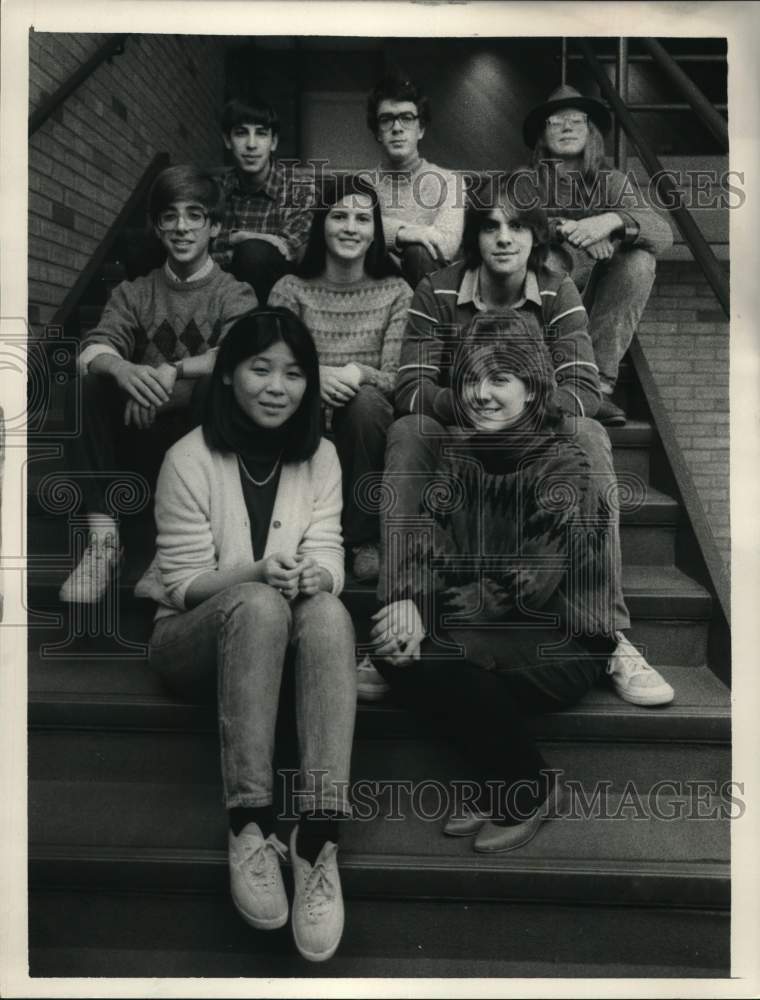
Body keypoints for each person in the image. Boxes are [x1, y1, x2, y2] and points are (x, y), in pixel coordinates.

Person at [382, 171, 675, 708]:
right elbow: (409, 386)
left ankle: (607, 632)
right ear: (474, 236)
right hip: (458, 432)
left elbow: (584, 386)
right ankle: (398, 620)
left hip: (531, 437)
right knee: (407, 429)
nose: (503, 237)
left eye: (517, 226)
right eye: (490, 225)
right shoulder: (438, 288)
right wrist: (469, 409)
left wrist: (520, 417)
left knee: (588, 433)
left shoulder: (557, 289)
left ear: (535, 237)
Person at [138, 308, 356, 963]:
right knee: (259, 605)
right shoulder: (187, 457)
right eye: (260, 368)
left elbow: (333, 557)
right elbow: (181, 581)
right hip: (190, 639)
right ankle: (249, 826)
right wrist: (259, 574)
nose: (276, 386)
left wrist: (314, 574)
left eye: (293, 374)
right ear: (228, 374)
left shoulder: (322, 457)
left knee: (328, 613)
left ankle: (316, 839)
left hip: (283, 634)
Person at [370, 322, 635, 852]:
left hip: (565, 638)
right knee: (389, 648)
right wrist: (413, 604)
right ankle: (495, 776)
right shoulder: (462, 456)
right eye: (470, 380)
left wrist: (434, 615)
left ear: (533, 388)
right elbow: (430, 546)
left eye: (499, 379)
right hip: (489, 626)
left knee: (433, 654)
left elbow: (530, 584)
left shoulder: (565, 464)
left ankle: (529, 787)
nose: (480, 394)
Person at [59, 165, 258, 604]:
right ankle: (104, 543)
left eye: (195, 215)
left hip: (198, 438)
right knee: (86, 387)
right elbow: (92, 350)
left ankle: (174, 549)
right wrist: (125, 373)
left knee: (219, 387)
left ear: (216, 226)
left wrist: (171, 378)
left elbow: (239, 354)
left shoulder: (234, 293)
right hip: (139, 441)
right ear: (156, 226)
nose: (182, 227)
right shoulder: (134, 292)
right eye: (169, 216)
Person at [269, 174, 413, 586]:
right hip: (303, 413)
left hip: (362, 422)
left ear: (375, 232)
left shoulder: (396, 291)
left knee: (365, 403)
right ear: (321, 224)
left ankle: (364, 539)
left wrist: (355, 373)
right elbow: (270, 367)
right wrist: (318, 376)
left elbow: (397, 378)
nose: (351, 227)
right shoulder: (290, 289)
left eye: (362, 219)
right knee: (290, 395)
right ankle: (294, 531)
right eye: (339, 216)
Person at [524, 84, 674, 425]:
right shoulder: (525, 182)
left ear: (591, 131)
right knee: (551, 258)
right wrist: (570, 231)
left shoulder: (612, 183)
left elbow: (664, 235)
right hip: (543, 303)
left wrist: (612, 221)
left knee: (639, 261)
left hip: (595, 301)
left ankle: (595, 386)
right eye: (555, 120)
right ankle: (545, 379)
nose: (565, 126)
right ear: (541, 135)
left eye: (575, 119)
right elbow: (507, 224)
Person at [212, 97, 315, 303]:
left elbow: (289, 251)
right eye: (241, 133)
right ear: (227, 140)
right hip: (217, 295)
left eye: (261, 133)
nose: (251, 145)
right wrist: (239, 238)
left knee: (254, 253)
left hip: (276, 300)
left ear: (273, 142)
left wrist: (230, 242)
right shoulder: (214, 189)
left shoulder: (299, 187)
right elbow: (195, 243)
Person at [366, 74, 464, 289]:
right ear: (377, 132)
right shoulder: (361, 185)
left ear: (421, 129)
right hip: (374, 290)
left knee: (419, 253)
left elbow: (445, 246)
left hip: (428, 292)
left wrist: (385, 234)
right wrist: (406, 233)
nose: (397, 128)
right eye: (386, 119)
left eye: (407, 118)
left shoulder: (450, 182)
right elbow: (352, 231)